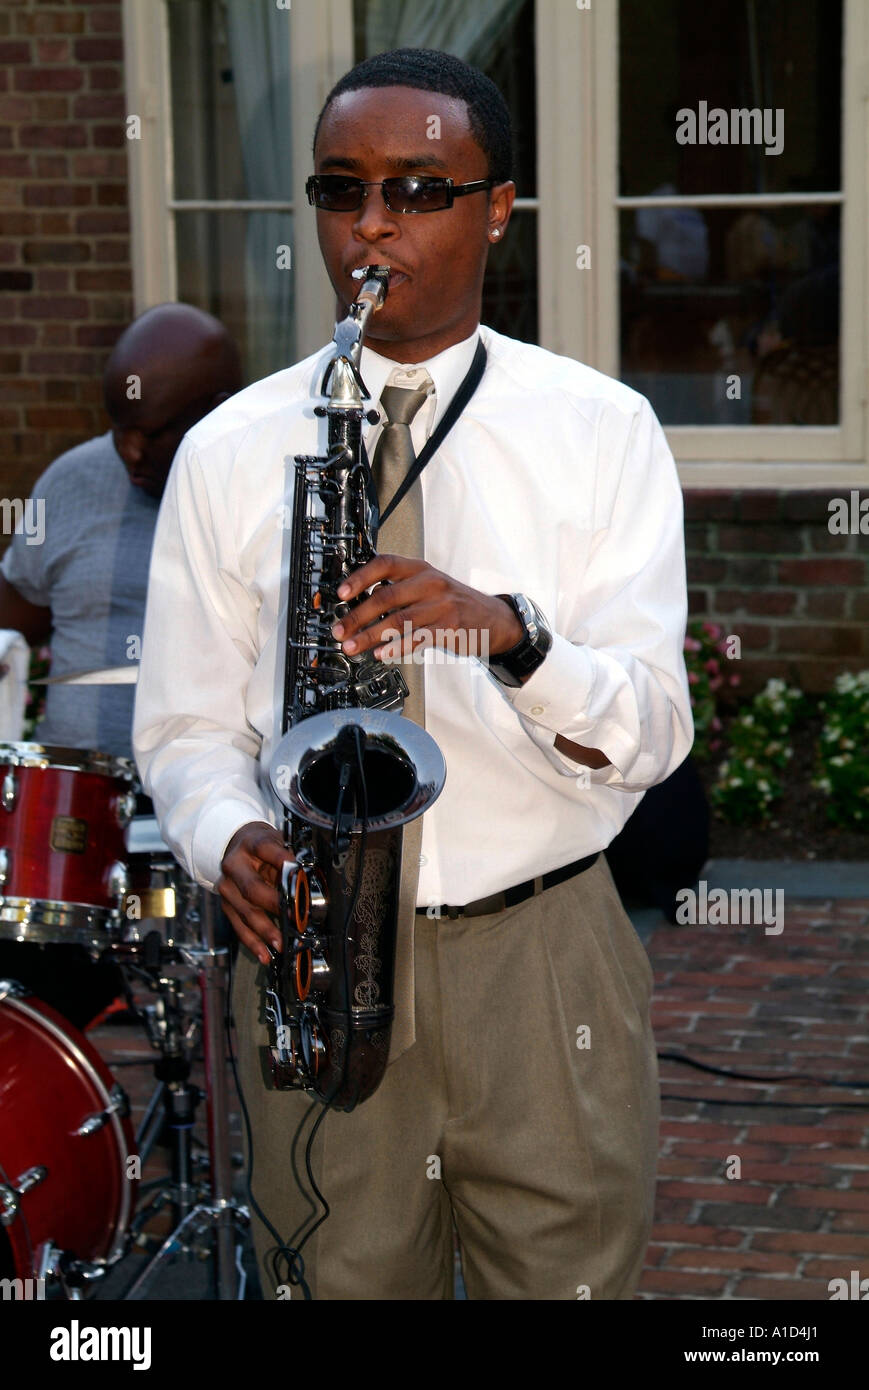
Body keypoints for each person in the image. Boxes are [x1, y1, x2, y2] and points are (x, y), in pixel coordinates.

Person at [133, 49, 693, 1301]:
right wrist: (227, 837)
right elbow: (180, 726)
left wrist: (512, 636)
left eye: (418, 190)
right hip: (315, 947)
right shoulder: (228, 448)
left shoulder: (600, 430)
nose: (371, 227)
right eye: (341, 190)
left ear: (497, 208)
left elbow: (653, 730)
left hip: (540, 956)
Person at [0, 304, 242, 1027]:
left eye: (152, 432)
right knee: (43, 1021)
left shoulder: (261, 493)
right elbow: (15, 620)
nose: (130, 452)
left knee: (214, 1021)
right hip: (69, 821)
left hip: (207, 809)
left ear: (215, 410)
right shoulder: (72, 482)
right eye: (119, 428)